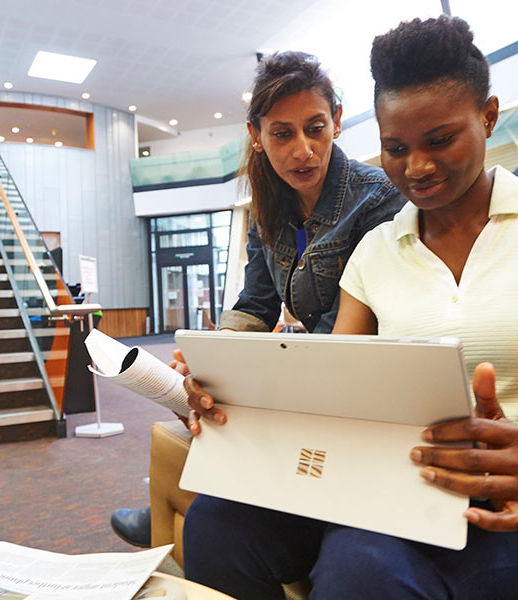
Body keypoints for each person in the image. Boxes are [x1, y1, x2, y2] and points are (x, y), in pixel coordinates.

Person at [180, 16, 518, 599]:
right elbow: (331, 388)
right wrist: (227, 393)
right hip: (401, 483)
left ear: (488, 116)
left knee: (363, 563)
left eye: (440, 140)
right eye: (396, 149)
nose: (416, 167)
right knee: (219, 524)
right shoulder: (375, 250)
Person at [109, 51, 407, 548]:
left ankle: (203, 509)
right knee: (203, 389)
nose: (303, 150)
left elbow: (349, 333)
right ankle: (184, 507)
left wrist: (254, 371)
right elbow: (255, 302)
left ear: (336, 119)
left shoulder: (375, 198)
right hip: (311, 361)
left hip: (353, 370)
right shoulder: (270, 203)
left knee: (238, 407)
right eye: (282, 134)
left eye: (315, 128)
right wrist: (215, 354)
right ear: (257, 134)